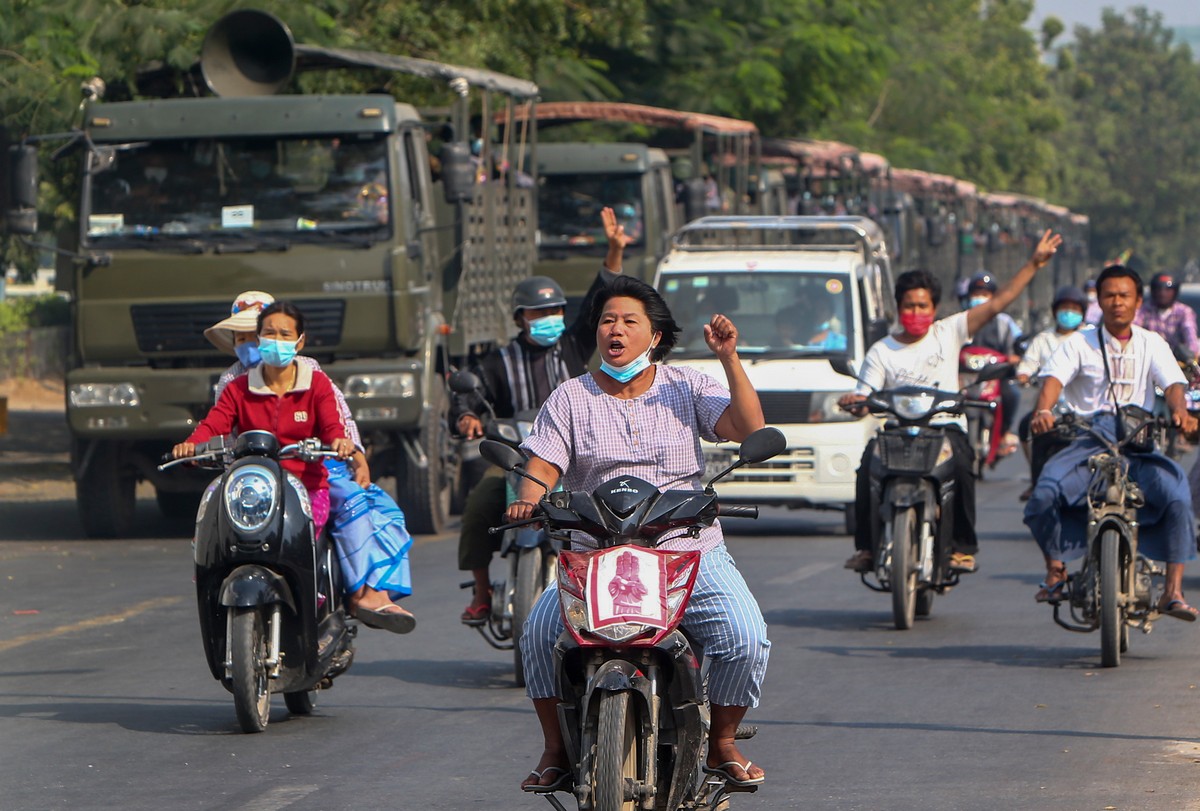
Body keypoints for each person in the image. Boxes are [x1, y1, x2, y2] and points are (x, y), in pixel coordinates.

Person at [507, 275, 770, 792]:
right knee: (537, 636)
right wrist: (528, 499)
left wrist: (729, 358)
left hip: (684, 548)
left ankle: (722, 743)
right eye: (607, 320)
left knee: (745, 636)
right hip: (595, 551)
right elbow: (541, 466)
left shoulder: (687, 386)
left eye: (630, 321)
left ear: (655, 336)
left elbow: (748, 428)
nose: (616, 330)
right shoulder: (570, 398)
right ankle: (555, 749)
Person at [839, 230, 1063, 575]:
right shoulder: (882, 350)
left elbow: (999, 302)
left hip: (945, 429)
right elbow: (866, 392)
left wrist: (1034, 263)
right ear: (898, 308)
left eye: (923, 306)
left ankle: (962, 546)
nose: (916, 312)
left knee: (962, 465)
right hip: (896, 432)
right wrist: (858, 400)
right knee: (868, 466)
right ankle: (867, 548)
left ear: (935, 308)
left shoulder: (950, 331)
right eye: (909, 306)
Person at [454, 206, 631, 623]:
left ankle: (605, 595)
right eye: (537, 313)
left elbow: (601, 293)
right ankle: (481, 593)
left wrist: (614, 250)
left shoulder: (571, 347)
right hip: (516, 459)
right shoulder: (499, 361)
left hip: (574, 461)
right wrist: (466, 417)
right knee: (479, 505)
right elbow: (471, 395)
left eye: (554, 312)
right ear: (520, 318)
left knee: (609, 513)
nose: (548, 320)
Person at [201, 294, 416, 633]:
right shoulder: (232, 383)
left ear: (297, 339)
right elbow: (217, 429)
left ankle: (364, 592)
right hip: (253, 476)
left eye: (280, 333)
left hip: (312, 468)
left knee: (361, 506)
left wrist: (354, 452)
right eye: (243, 337)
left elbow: (337, 422)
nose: (259, 342)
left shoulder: (311, 374)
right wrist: (191, 447)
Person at [1025, 264, 1199, 618]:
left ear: (1138, 302)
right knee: (1044, 494)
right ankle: (1055, 570)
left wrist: (1180, 411)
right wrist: (1043, 411)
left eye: (1124, 296)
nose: (1117, 302)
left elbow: (1174, 385)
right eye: (1109, 296)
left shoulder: (1153, 343)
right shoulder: (1078, 343)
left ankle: (1172, 591)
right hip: (1086, 440)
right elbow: (1053, 382)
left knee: (1177, 494)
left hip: (1137, 442)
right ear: (1099, 301)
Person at [1014, 285, 1090, 500]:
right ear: (1055, 310)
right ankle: (1036, 481)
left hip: (1083, 410)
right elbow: (1028, 364)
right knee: (1031, 430)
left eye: (1074, 308)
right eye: (1065, 308)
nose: (1069, 312)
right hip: (1049, 411)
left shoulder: (1089, 339)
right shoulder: (1043, 339)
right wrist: (1024, 375)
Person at [963, 271, 1023, 456]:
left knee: (1012, 395)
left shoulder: (1004, 322)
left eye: (985, 294)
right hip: (965, 376)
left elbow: (1019, 343)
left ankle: (1004, 431)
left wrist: (1015, 357)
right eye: (977, 294)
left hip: (997, 375)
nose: (980, 298)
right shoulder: (961, 320)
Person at [1134, 272, 1200, 362]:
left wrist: (1191, 354)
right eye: (1159, 289)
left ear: (1175, 291)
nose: (1163, 293)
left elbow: (1190, 334)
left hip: (1178, 363)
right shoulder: (1143, 310)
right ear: (1153, 291)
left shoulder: (1184, 312)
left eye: (1168, 290)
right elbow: (1133, 329)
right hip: (1148, 361)